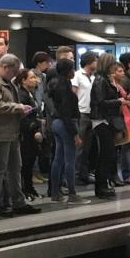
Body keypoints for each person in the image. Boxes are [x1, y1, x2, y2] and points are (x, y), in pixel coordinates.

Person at [0, 54, 36, 217]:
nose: (15, 76)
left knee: (14, 168)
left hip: (11, 131)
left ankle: (18, 201)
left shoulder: (7, 82)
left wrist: (20, 110)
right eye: (13, 72)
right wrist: (18, 108)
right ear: (5, 67)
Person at [89, 60, 127, 199]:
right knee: (106, 153)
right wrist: (119, 101)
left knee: (108, 153)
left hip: (106, 119)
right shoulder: (100, 80)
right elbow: (101, 101)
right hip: (101, 120)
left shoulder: (105, 80)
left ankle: (103, 184)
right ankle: (101, 186)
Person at [46, 58, 81, 203]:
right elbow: (67, 111)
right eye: (72, 68)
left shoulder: (53, 84)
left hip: (55, 123)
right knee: (70, 159)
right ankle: (72, 193)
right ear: (68, 71)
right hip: (66, 123)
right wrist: (75, 133)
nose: (74, 71)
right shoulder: (64, 86)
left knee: (58, 159)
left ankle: (55, 193)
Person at [17, 68, 45, 201]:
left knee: (30, 161)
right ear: (23, 80)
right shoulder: (21, 95)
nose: (35, 80)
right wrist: (34, 129)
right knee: (26, 163)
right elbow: (24, 117)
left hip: (32, 132)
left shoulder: (30, 93)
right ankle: (25, 189)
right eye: (32, 77)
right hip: (26, 134)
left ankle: (29, 188)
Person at [112, 61, 130, 183]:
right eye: (119, 71)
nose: (122, 73)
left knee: (127, 145)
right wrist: (124, 101)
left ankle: (127, 173)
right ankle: (123, 174)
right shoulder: (113, 86)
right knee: (121, 147)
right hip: (118, 118)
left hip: (126, 116)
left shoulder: (121, 85)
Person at [75, 52, 98, 185]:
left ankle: (84, 173)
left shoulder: (93, 77)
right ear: (89, 62)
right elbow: (74, 93)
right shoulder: (77, 76)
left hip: (92, 114)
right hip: (81, 113)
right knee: (80, 146)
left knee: (88, 146)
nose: (97, 63)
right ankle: (76, 174)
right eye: (95, 61)